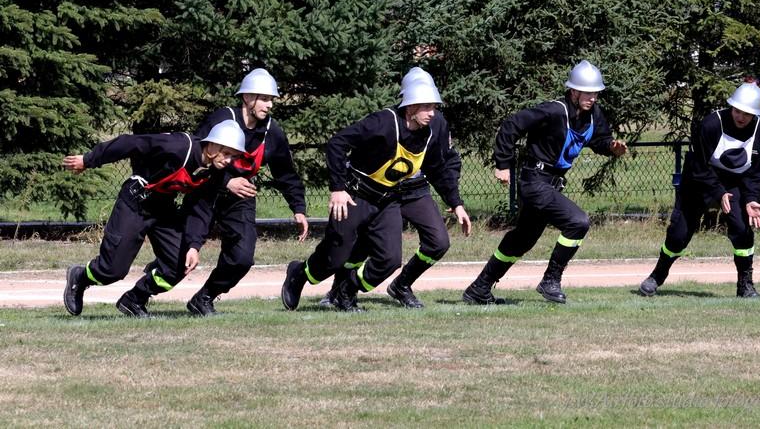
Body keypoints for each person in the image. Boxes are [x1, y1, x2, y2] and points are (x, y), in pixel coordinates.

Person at [281, 80, 465, 312]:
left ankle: (346, 292)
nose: (432, 113)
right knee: (335, 258)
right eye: (426, 107)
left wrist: (456, 203)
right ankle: (299, 273)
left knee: (390, 259)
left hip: (388, 200)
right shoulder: (383, 122)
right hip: (355, 197)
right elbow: (337, 143)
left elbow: (437, 169)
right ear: (410, 107)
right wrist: (338, 188)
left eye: (434, 107)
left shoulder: (427, 134)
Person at [462, 60, 627, 305]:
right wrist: (503, 163)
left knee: (523, 239)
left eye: (595, 93)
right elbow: (511, 125)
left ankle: (479, 288)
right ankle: (551, 280)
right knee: (578, 222)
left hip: (550, 184)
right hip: (534, 181)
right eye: (587, 93)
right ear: (573, 91)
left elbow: (599, 139)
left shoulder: (594, 115)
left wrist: (611, 148)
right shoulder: (553, 111)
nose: (592, 98)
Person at [62, 120, 246, 317]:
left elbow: (201, 209)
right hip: (135, 204)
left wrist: (194, 246)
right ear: (212, 145)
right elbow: (129, 143)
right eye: (226, 153)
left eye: (233, 156)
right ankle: (80, 277)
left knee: (179, 265)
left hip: (163, 208)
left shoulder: (214, 172)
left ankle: (135, 299)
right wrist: (89, 160)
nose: (229, 160)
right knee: (113, 270)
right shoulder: (179, 146)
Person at [180, 68, 308, 316]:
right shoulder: (222, 118)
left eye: (272, 100)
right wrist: (227, 181)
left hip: (240, 200)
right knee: (179, 258)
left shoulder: (272, 131)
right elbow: (199, 155)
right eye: (265, 99)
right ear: (248, 98)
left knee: (242, 258)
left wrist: (299, 208)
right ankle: (139, 295)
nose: (270, 105)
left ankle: (204, 298)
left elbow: (285, 172)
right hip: (205, 191)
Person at [638, 83, 760, 298]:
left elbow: (754, 171)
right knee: (679, 234)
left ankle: (745, 285)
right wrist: (718, 192)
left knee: (742, 230)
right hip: (700, 179)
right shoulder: (711, 124)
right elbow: (698, 166)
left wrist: (751, 198)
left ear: (755, 114)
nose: (741, 117)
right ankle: (657, 275)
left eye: (747, 114)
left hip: (733, 183)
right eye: (737, 111)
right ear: (731, 107)